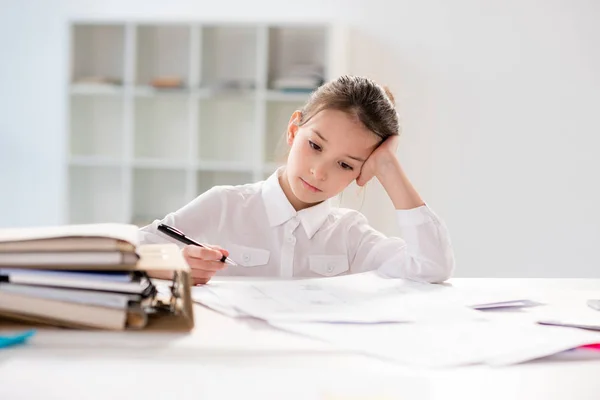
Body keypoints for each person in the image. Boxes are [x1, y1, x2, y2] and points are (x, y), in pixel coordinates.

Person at [139, 75, 455, 285]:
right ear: (294, 130)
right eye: (315, 145)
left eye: (345, 164)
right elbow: (126, 253)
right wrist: (174, 264)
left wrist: (388, 167)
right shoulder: (224, 205)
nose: (319, 171)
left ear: (362, 172)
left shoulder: (351, 237)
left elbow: (432, 267)